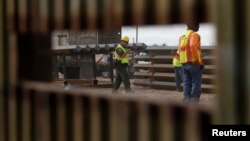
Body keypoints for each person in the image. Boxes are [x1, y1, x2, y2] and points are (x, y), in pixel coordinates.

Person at [178, 22, 204, 103]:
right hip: (193, 63)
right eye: (197, 24)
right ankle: (194, 99)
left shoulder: (182, 37)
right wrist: (199, 61)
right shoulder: (194, 35)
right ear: (192, 25)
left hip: (184, 63)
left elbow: (179, 51)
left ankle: (186, 98)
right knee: (196, 82)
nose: (199, 26)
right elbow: (193, 46)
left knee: (186, 82)